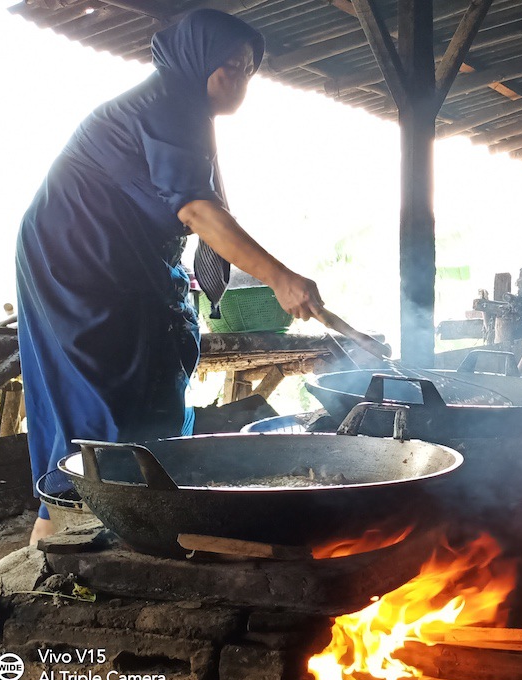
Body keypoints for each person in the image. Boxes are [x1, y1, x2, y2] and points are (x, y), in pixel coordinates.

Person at [17, 10, 332, 545]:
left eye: (250, 68)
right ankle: (70, 521)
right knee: (104, 382)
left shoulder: (185, 109)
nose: (240, 80)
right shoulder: (166, 104)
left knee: (157, 365)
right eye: (231, 65)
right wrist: (279, 277)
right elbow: (197, 210)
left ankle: (139, 507)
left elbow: (188, 207)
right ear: (197, 61)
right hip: (76, 257)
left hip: (128, 258)